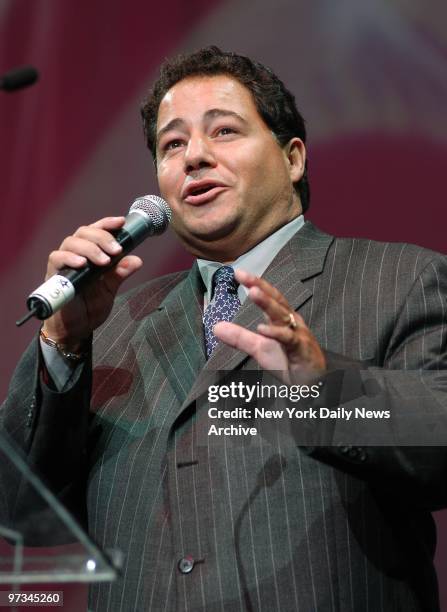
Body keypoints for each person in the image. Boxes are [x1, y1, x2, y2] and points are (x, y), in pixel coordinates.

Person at [1, 46, 446, 611]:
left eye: (225, 131)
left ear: (293, 159)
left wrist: (323, 390)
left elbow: (438, 446)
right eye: (172, 144)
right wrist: (62, 344)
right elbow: (18, 508)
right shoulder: (112, 327)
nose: (194, 157)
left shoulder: (397, 280)